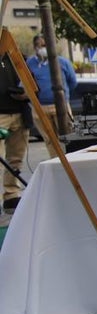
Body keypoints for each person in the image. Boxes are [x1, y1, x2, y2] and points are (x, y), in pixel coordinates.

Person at [27, 34, 78, 153]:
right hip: (40, 107)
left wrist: (64, 96)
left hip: (60, 105)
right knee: (50, 140)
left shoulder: (62, 62)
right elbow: (25, 82)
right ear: (35, 47)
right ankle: (55, 162)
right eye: (40, 46)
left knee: (67, 137)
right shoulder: (30, 63)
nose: (42, 48)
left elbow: (72, 82)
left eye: (45, 45)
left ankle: (70, 162)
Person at [0, 55, 31, 211]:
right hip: (1, 114)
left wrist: (27, 91)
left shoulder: (16, 56)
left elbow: (31, 81)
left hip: (19, 112)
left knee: (15, 159)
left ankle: (11, 195)